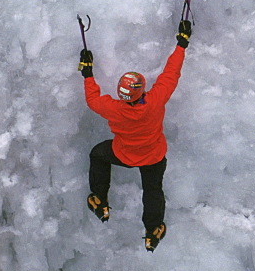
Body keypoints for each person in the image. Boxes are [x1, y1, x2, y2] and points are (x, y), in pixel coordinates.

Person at [78, 19, 191, 251]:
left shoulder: (114, 108)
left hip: (124, 154)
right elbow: (171, 74)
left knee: (98, 155)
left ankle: (99, 200)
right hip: (154, 156)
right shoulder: (155, 100)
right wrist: (182, 43)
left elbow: (92, 100)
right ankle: (153, 230)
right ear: (141, 91)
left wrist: (88, 73)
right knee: (153, 190)